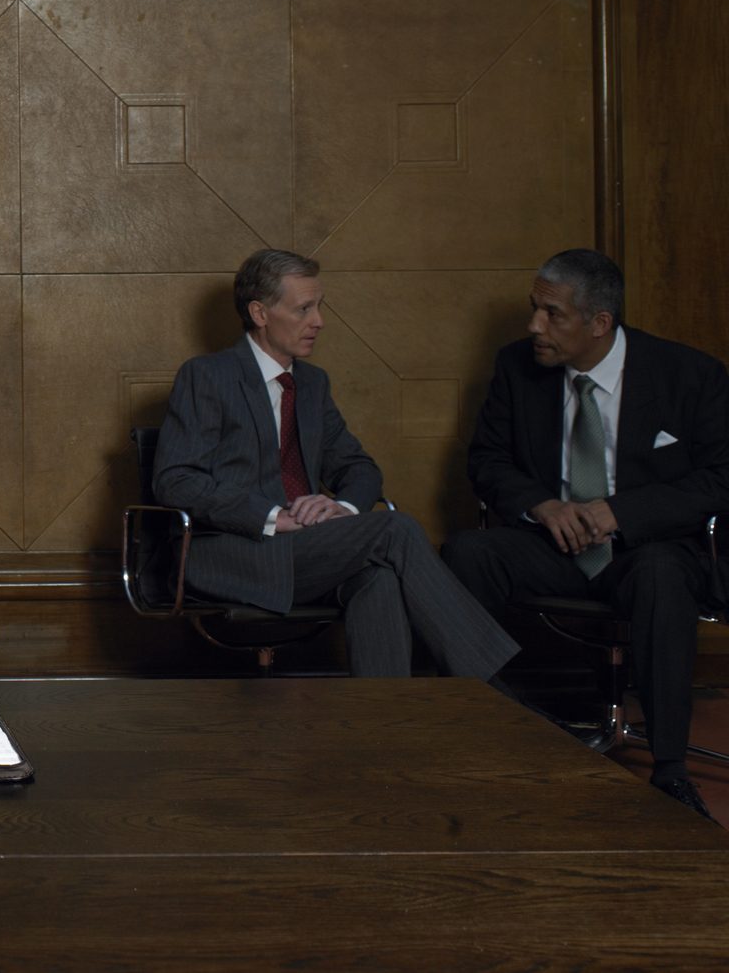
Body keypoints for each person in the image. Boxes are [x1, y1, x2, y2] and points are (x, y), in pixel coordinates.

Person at [443, 249, 729, 818]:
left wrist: (621, 512)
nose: (534, 326)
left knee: (662, 573)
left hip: (648, 550)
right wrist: (542, 505)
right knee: (465, 553)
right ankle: (501, 723)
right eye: (534, 309)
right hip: (554, 546)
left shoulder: (689, 375)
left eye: (552, 314)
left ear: (600, 322)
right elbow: (488, 461)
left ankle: (669, 769)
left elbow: (721, 477)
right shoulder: (517, 367)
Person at [153, 248, 516, 681]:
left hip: (309, 549)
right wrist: (271, 517)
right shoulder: (208, 376)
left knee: (379, 579)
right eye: (304, 309)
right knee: (395, 529)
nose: (319, 321)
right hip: (236, 551)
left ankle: (384, 719)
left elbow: (359, 468)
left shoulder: (312, 384)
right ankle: (491, 691)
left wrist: (341, 507)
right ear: (260, 313)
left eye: (319, 306)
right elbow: (175, 480)